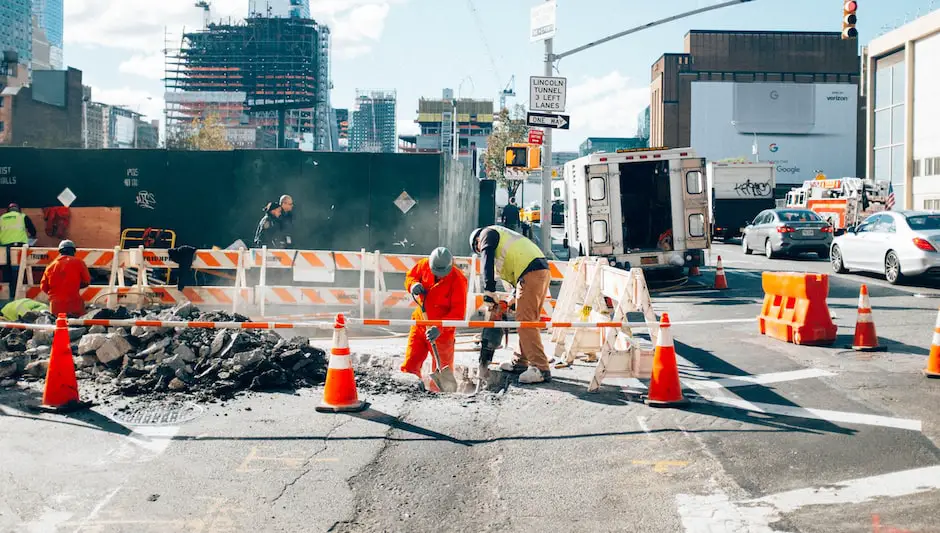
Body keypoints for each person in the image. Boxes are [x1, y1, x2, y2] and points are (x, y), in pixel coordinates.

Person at [470, 225, 552, 384]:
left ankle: (541, 368)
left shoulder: (487, 233)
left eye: (478, 249)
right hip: (537, 270)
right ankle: (520, 362)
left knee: (525, 321)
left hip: (531, 271)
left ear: (477, 242)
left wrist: (489, 290)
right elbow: (516, 270)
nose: (481, 251)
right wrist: (512, 299)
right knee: (526, 319)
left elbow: (486, 256)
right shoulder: (505, 239)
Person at [401, 247, 468, 379]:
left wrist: (439, 328)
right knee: (410, 364)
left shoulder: (458, 280)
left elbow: (458, 313)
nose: (438, 276)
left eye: (441, 273)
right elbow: (411, 276)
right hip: (420, 323)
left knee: (443, 372)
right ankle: (408, 389)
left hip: (442, 334)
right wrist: (412, 285)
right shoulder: (424, 265)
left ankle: (441, 395)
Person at [40, 240, 91, 318]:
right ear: (74, 251)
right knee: (79, 327)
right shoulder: (79, 262)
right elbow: (86, 281)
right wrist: (74, 286)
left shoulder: (50, 266)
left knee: (58, 327)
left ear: (60, 252)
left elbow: (43, 287)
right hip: (75, 306)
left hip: (56, 307)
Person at [1, 203, 37, 297]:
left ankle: (7, 294)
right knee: (18, 270)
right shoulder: (22, 216)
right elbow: (33, 231)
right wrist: (31, 237)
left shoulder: (2, 218)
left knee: (6, 269)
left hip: (5, 247)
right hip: (19, 247)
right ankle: (17, 293)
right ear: (18, 210)